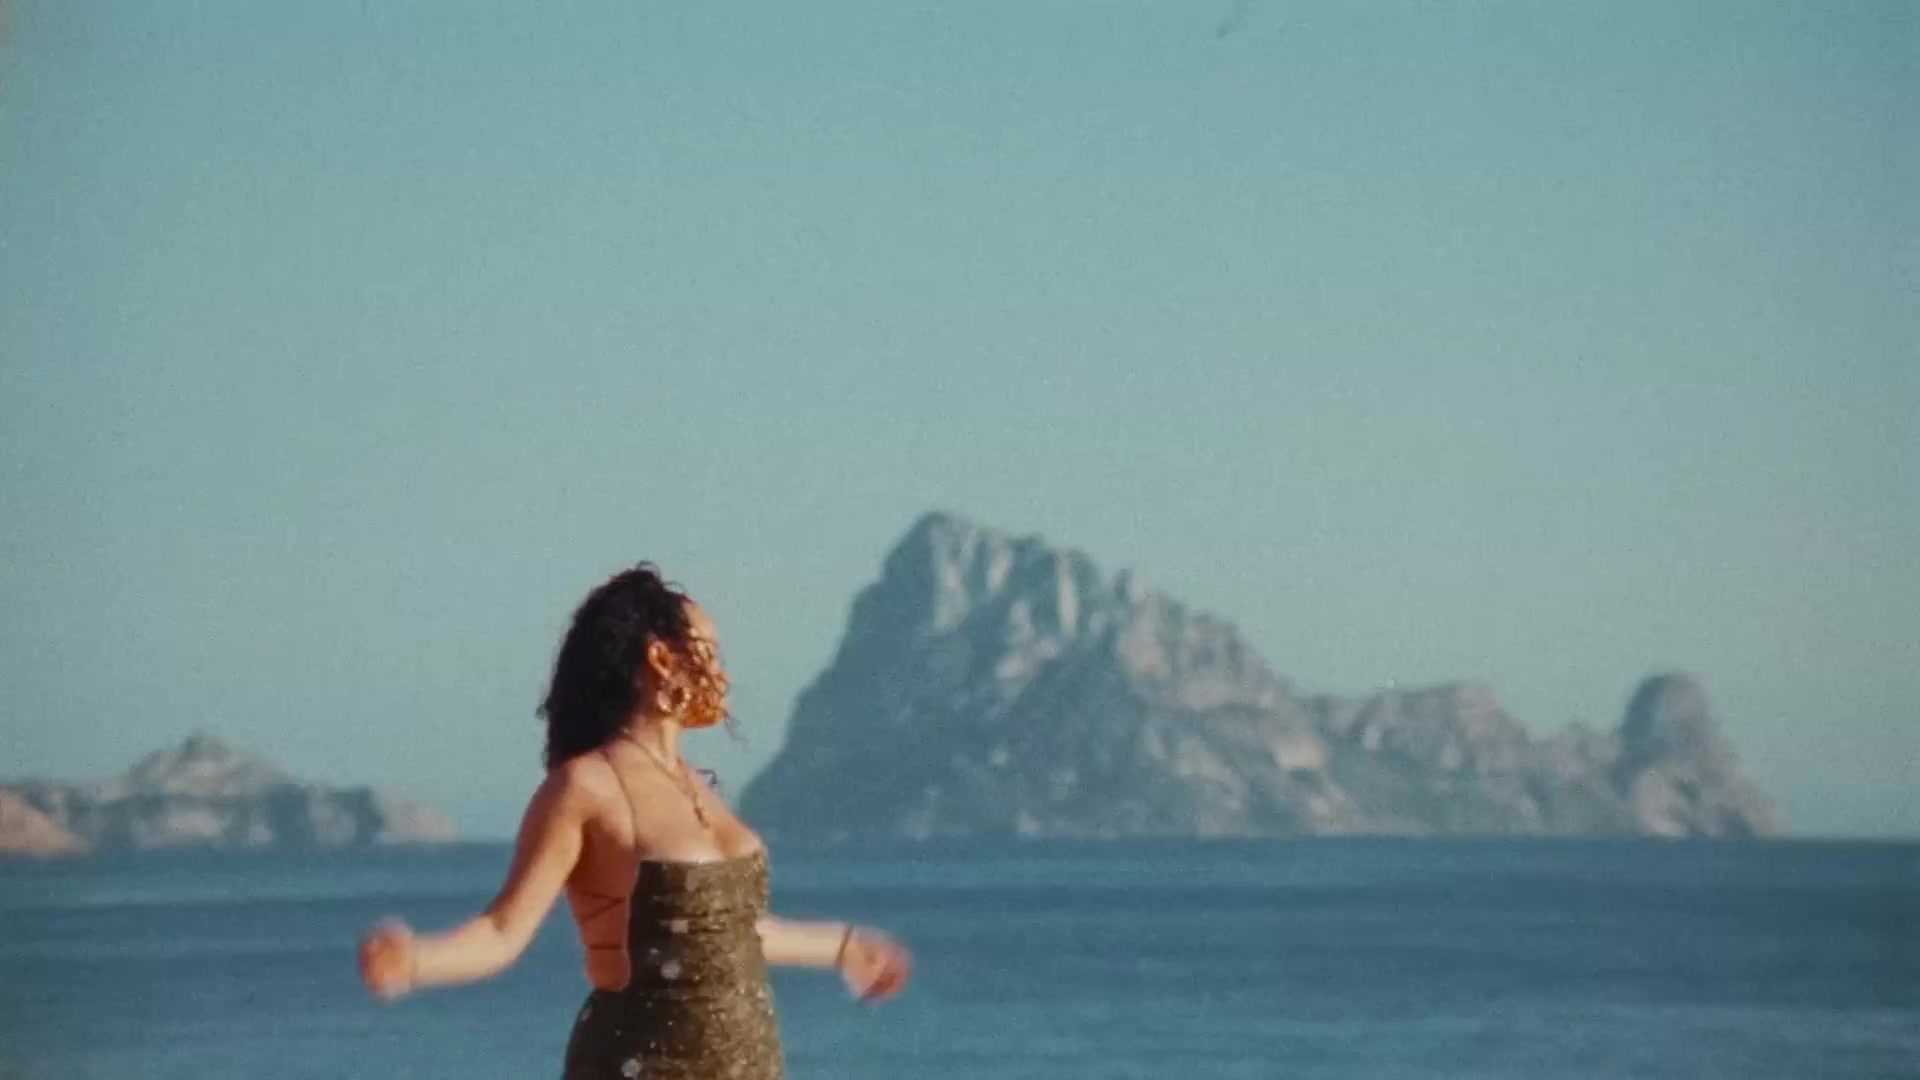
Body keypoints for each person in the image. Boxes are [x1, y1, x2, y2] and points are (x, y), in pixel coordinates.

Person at [357, 564, 911, 1078]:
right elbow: (503, 931)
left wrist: (843, 947)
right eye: (710, 652)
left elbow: (727, 934)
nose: (722, 672)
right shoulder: (585, 787)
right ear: (661, 659)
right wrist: (415, 959)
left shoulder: (695, 786)